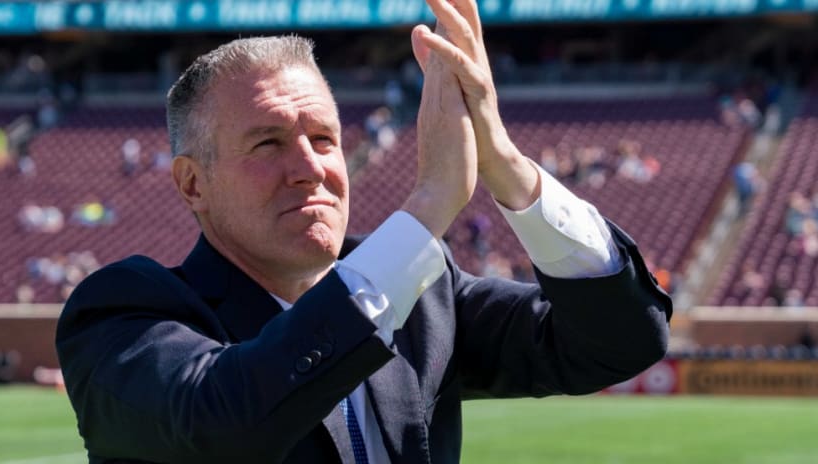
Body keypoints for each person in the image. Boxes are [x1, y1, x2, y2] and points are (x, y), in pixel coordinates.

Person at [56, 1, 671, 463]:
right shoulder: (122, 315)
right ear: (193, 184)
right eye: (268, 143)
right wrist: (429, 207)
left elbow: (619, 342)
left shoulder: (426, 299)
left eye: (324, 139)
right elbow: (225, 422)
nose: (311, 168)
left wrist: (505, 164)